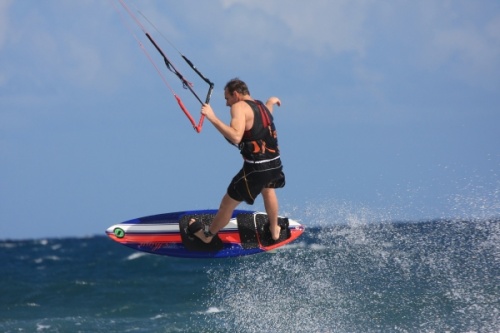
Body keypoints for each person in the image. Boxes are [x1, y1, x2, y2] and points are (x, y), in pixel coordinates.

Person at [188, 78, 286, 243]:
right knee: (268, 191)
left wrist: (212, 117)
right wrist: (270, 102)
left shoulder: (238, 107)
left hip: (256, 170)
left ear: (235, 94)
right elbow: (264, 120)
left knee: (227, 204)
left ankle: (207, 235)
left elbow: (235, 136)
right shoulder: (261, 105)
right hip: (275, 165)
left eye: (227, 98)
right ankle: (274, 229)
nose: (227, 104)